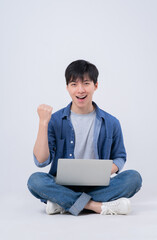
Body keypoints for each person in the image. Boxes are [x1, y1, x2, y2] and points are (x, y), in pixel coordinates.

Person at [27, 59, 142, 216]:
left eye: (86, 83)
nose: (80, 90)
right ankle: (96, 206)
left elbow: (120, 157)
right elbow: (41, 161)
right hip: (63, 185)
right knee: (35, 181)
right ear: (67, 87)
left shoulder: (111, 122)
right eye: (74, 84)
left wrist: (104, 171)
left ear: (95, 86)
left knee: (133, 178)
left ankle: (63, 203)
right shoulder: (54, 120)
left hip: (98, 185)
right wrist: (43, 123)